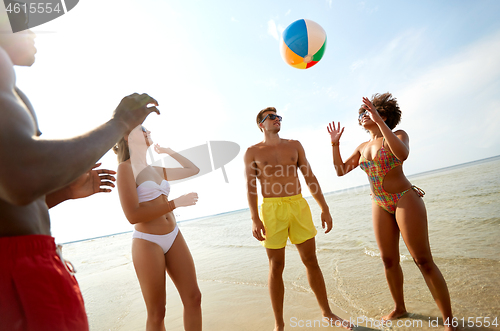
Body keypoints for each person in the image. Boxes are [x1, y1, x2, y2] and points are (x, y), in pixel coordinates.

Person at [0, 8, 159, 331]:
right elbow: (21, 175)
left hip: (31, 257)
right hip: (18, 269)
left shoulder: (15, 93)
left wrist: (65, 192)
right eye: (24, 23)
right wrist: (121, 123)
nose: (33, 32)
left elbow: (15, 191)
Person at [327, 93, 457, 330]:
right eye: (360, 113)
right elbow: (341, 170)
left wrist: (378, 123)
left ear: (382, 114)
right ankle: (400, 308)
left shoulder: (398, 135)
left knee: (423, 261)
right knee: (388, 260)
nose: (361, 116)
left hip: (405, 199)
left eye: (366, 111)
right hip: (380, 203)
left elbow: (403, 154)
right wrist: (335, 144)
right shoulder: (362, 146)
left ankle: (449, 321)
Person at [244, 107, 353, 331]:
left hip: (298, 206)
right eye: (271, 117)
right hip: (272, 210)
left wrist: (324, 207)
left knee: (311, 261)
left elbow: (309, 176)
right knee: (276, 266)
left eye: (278, 117)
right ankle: (279, 324)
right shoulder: (252, 152)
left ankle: (327, 312)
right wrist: (255, 218)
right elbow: (251, 187)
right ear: (261, 125)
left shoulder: (294, 145)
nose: (277, 119)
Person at [114, 124, 202, 331]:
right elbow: (132, 215)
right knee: (157, 312)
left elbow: (193, 169)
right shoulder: (125, 168)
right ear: (128, 137)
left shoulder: (156, 169)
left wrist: (169, 152)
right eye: (141, 128)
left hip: (173, 235)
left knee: (194, 298)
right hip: (147, 241)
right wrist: (174, 204)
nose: (147, 131)